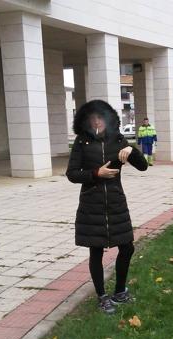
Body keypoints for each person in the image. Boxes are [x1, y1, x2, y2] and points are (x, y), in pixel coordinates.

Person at [66, 100, 149, 314]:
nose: (97, 121)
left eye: (100, 117)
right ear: (85, 120)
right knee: (96, 250)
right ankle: (102, 296)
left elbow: (143, 167)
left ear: (109, 119)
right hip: (91, 204)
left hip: (116, 202)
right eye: (92, 118)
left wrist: (132, 150)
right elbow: (72, 174)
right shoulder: (82, 142)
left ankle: (120, 291)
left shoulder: (118, 140)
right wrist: (95, 174)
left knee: (127, 247)